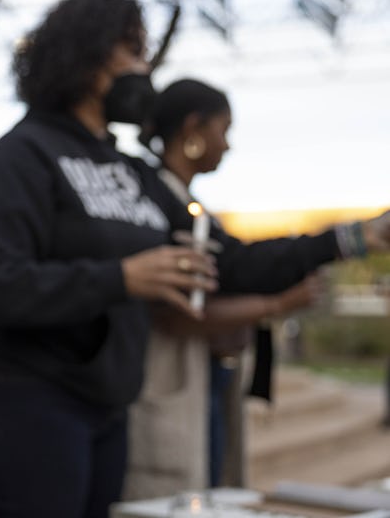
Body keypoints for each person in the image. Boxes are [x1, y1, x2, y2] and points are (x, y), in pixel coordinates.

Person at [0, 0, 390, 518]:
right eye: (135, 52)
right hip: (30, 408)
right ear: (87, 55)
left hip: (109, 412)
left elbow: (232, 264)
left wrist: (351, 239)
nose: (146, 70)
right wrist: (121, 277)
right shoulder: (20, 155)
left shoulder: (133, 173)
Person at [124, 78, 325, 499]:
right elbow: (177, 313)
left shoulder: (190, 209)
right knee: (181, 496)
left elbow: (240, 266)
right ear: (193, 128)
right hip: (170, 379)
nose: (227, 145)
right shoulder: (151, 202)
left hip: (207, 379)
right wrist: (276, 303)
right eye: (223, 129)